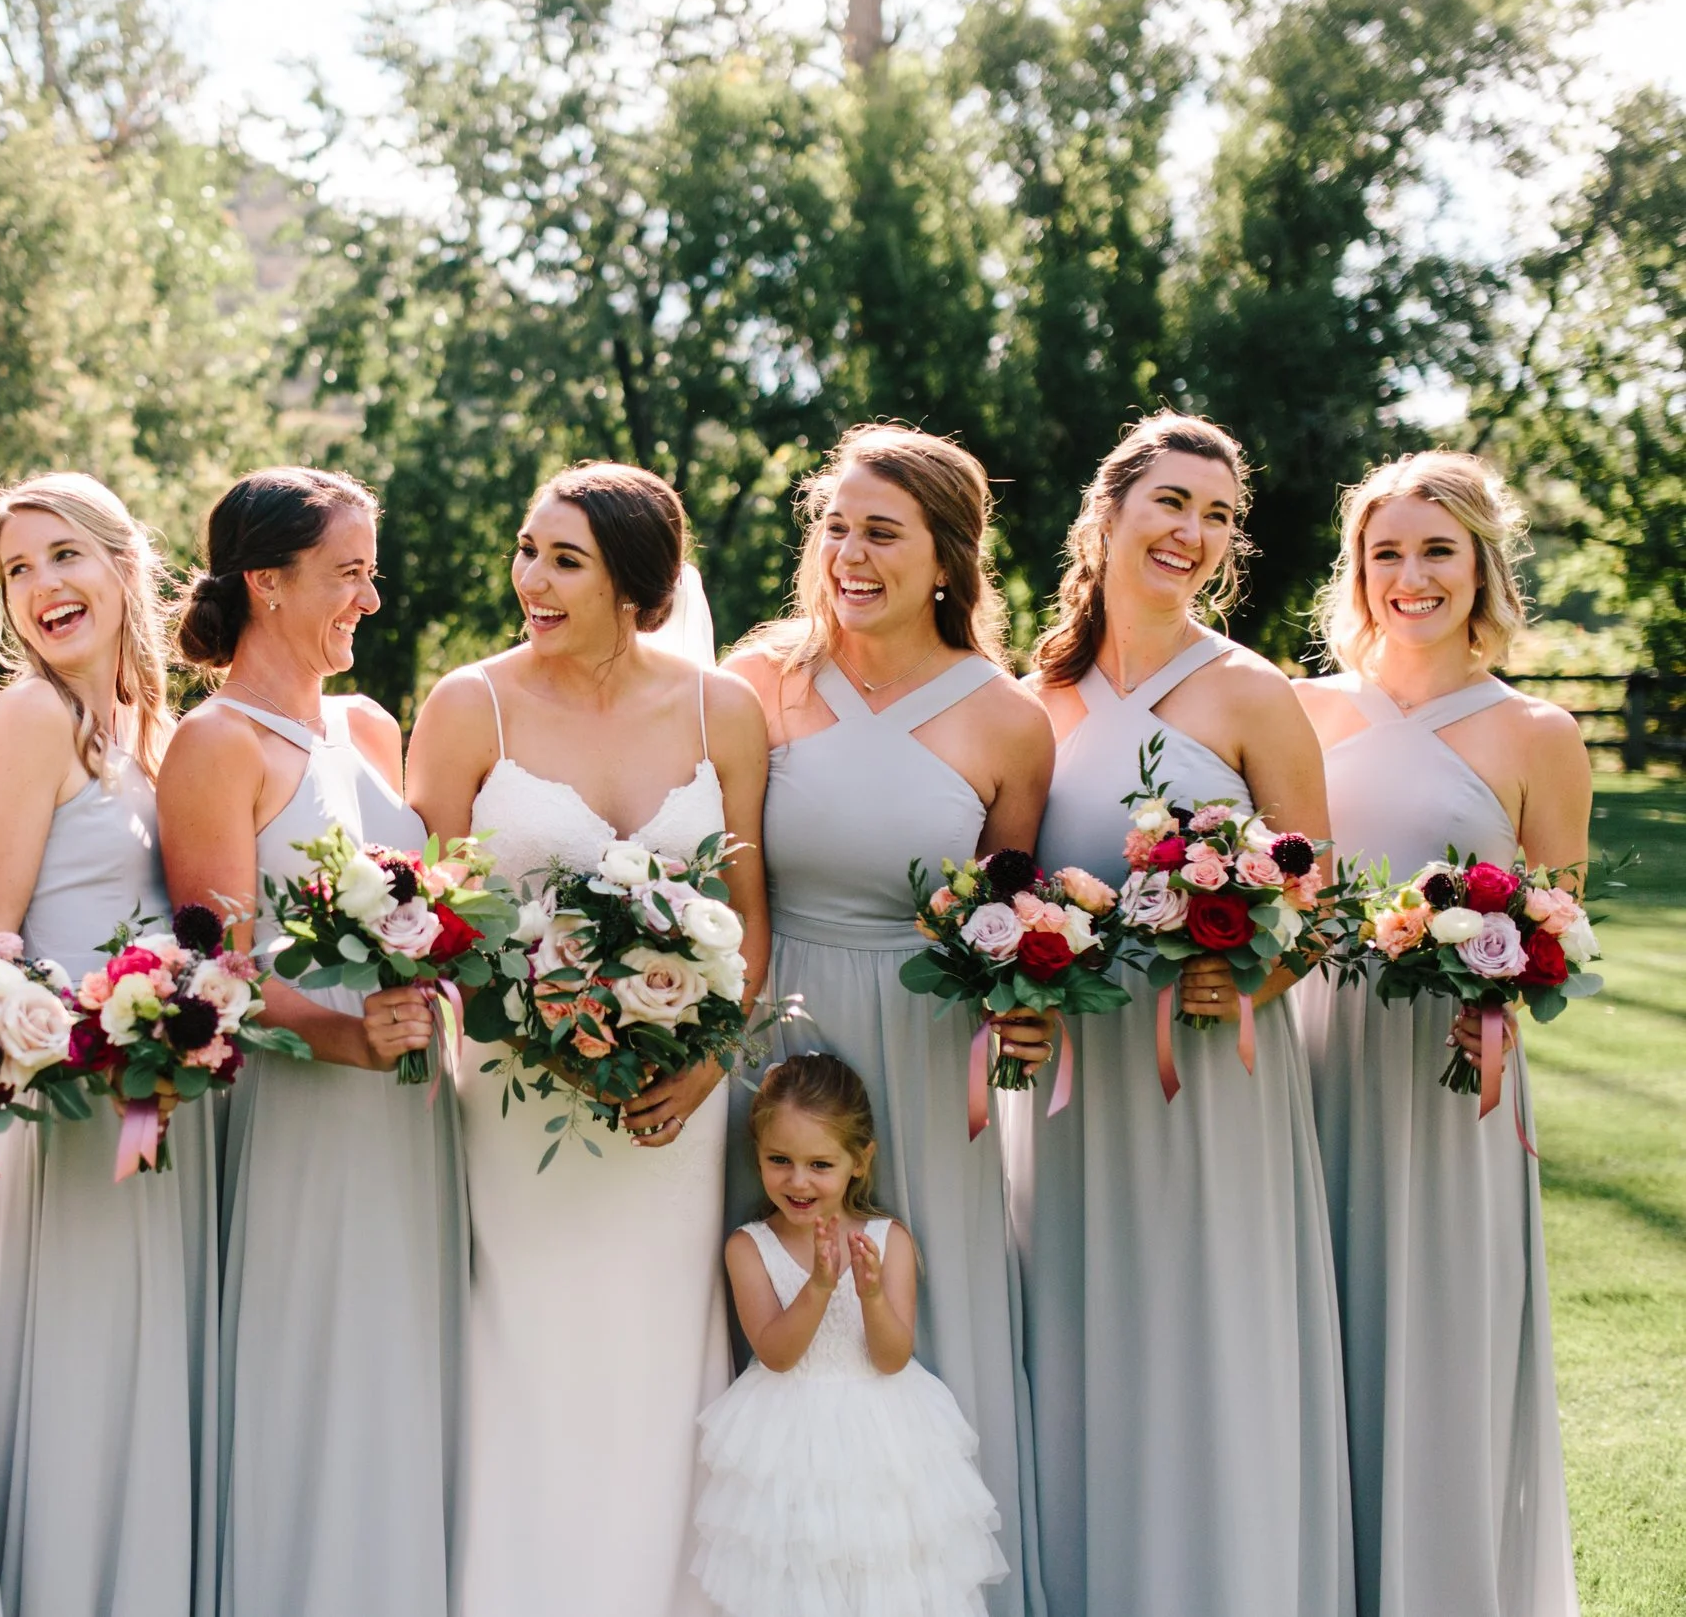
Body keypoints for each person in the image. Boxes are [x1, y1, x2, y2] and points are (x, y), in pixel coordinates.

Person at [407, 462, 770, 1617]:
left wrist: (708, 1054)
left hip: (680, 1097)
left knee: (661, 1355)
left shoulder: (726, 710)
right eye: (527, 550)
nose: (532, 579)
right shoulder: (471, 704)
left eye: (565, 559)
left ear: (635, 584)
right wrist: (543, 1019)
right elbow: (432, 911)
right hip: (520, 1103)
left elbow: (751, 910)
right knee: (533, 1353)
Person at [1009, 411, 1351, 1617]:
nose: (1192, 532)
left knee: (1208, 1338)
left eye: (1216, 515)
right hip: (1072, 1080)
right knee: (1082, 1334)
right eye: (1171, 502)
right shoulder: (1031, 696)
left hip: (1210, 1072)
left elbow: (1318, 901)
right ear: (1107, 512)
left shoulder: (1251, 692)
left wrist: (1246, 973)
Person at [722, 425, 1049, 1617]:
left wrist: (1026, 1008)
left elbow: (1016, 920)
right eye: (835, 525)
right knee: (770, 1305)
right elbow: (725, 875)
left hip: (925, 1045)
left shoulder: (1008, 719)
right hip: (771, 1026)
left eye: (882, 530)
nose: (849, 552)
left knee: (921, 1309)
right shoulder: (757, 677)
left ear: (948, 557)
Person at [155, 467, 460, 1617]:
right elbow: (214, 966)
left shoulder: (368, 726)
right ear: (267, 584)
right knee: (320, 1382)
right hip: (305, 1113)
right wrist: (341, 1034)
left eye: (370, 574)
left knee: (399, 1381)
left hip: (411, 1109)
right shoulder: (214, 745)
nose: (369, 600)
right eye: (348, 575)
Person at [1292, 451, 1584, 1617]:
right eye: (1385, 553)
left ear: (1480, 565)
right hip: (1309, 1047)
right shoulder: (1301, 706)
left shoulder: (1537, 730)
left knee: (1438, 1342)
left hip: (1446, 1063)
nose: (1409, 577)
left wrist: (1499, 967)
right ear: (1357, 571)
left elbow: (1558, 913)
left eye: (1435, 551)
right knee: (1310, 1316)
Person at [0, 474, 219, 1617]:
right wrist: (90, 1039)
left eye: (64, 556)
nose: (42, 586)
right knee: (85, 1392)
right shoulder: (26, 719)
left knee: (153, 1395)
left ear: (126, 566)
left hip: (173, 1113)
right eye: (17, 570)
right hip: (71, 1122)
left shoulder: (154, 731)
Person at [694, 1052, 1007, 1617]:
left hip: (884, 1437)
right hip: (787, 1440)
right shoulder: (749, 1247)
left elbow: (891, 1358)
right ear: (758, 1156)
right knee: (799, 1576)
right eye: (779, 1160)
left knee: (888, 1572)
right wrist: (817, 1286)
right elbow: (777, 1354)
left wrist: (870, 1295)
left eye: (820, 1164)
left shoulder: (889, 1241)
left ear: (860, 1161)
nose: (798, 1180)